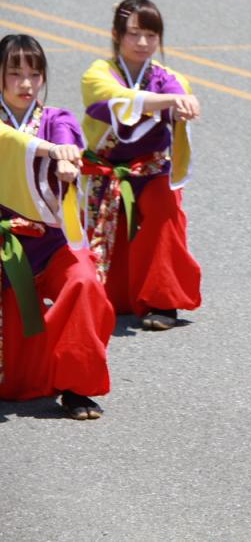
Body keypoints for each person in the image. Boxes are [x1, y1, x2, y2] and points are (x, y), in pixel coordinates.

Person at [0, 35, 114, 420]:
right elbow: (8, 141)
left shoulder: (55, 119)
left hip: (49, 246)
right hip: (5, 251)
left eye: (34, 74)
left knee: (84, 280)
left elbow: (68, 139)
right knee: (19, 382)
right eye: (14, 73)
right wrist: (47, 151)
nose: (26, 83)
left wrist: (67, 155)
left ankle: (77, 389)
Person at [80, 0, 201, 331]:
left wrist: (181, 106)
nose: (143, 43)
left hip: (150, 170)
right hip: (106, 170)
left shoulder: (169, 79)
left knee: (165, 210)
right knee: (105, 230)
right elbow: (114, 101)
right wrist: (172, 102)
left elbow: (177, 97)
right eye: (134, 34)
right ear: (117, 35)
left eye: (151, 35)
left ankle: (162, 301)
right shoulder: (97, 74)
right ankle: (112, 295)